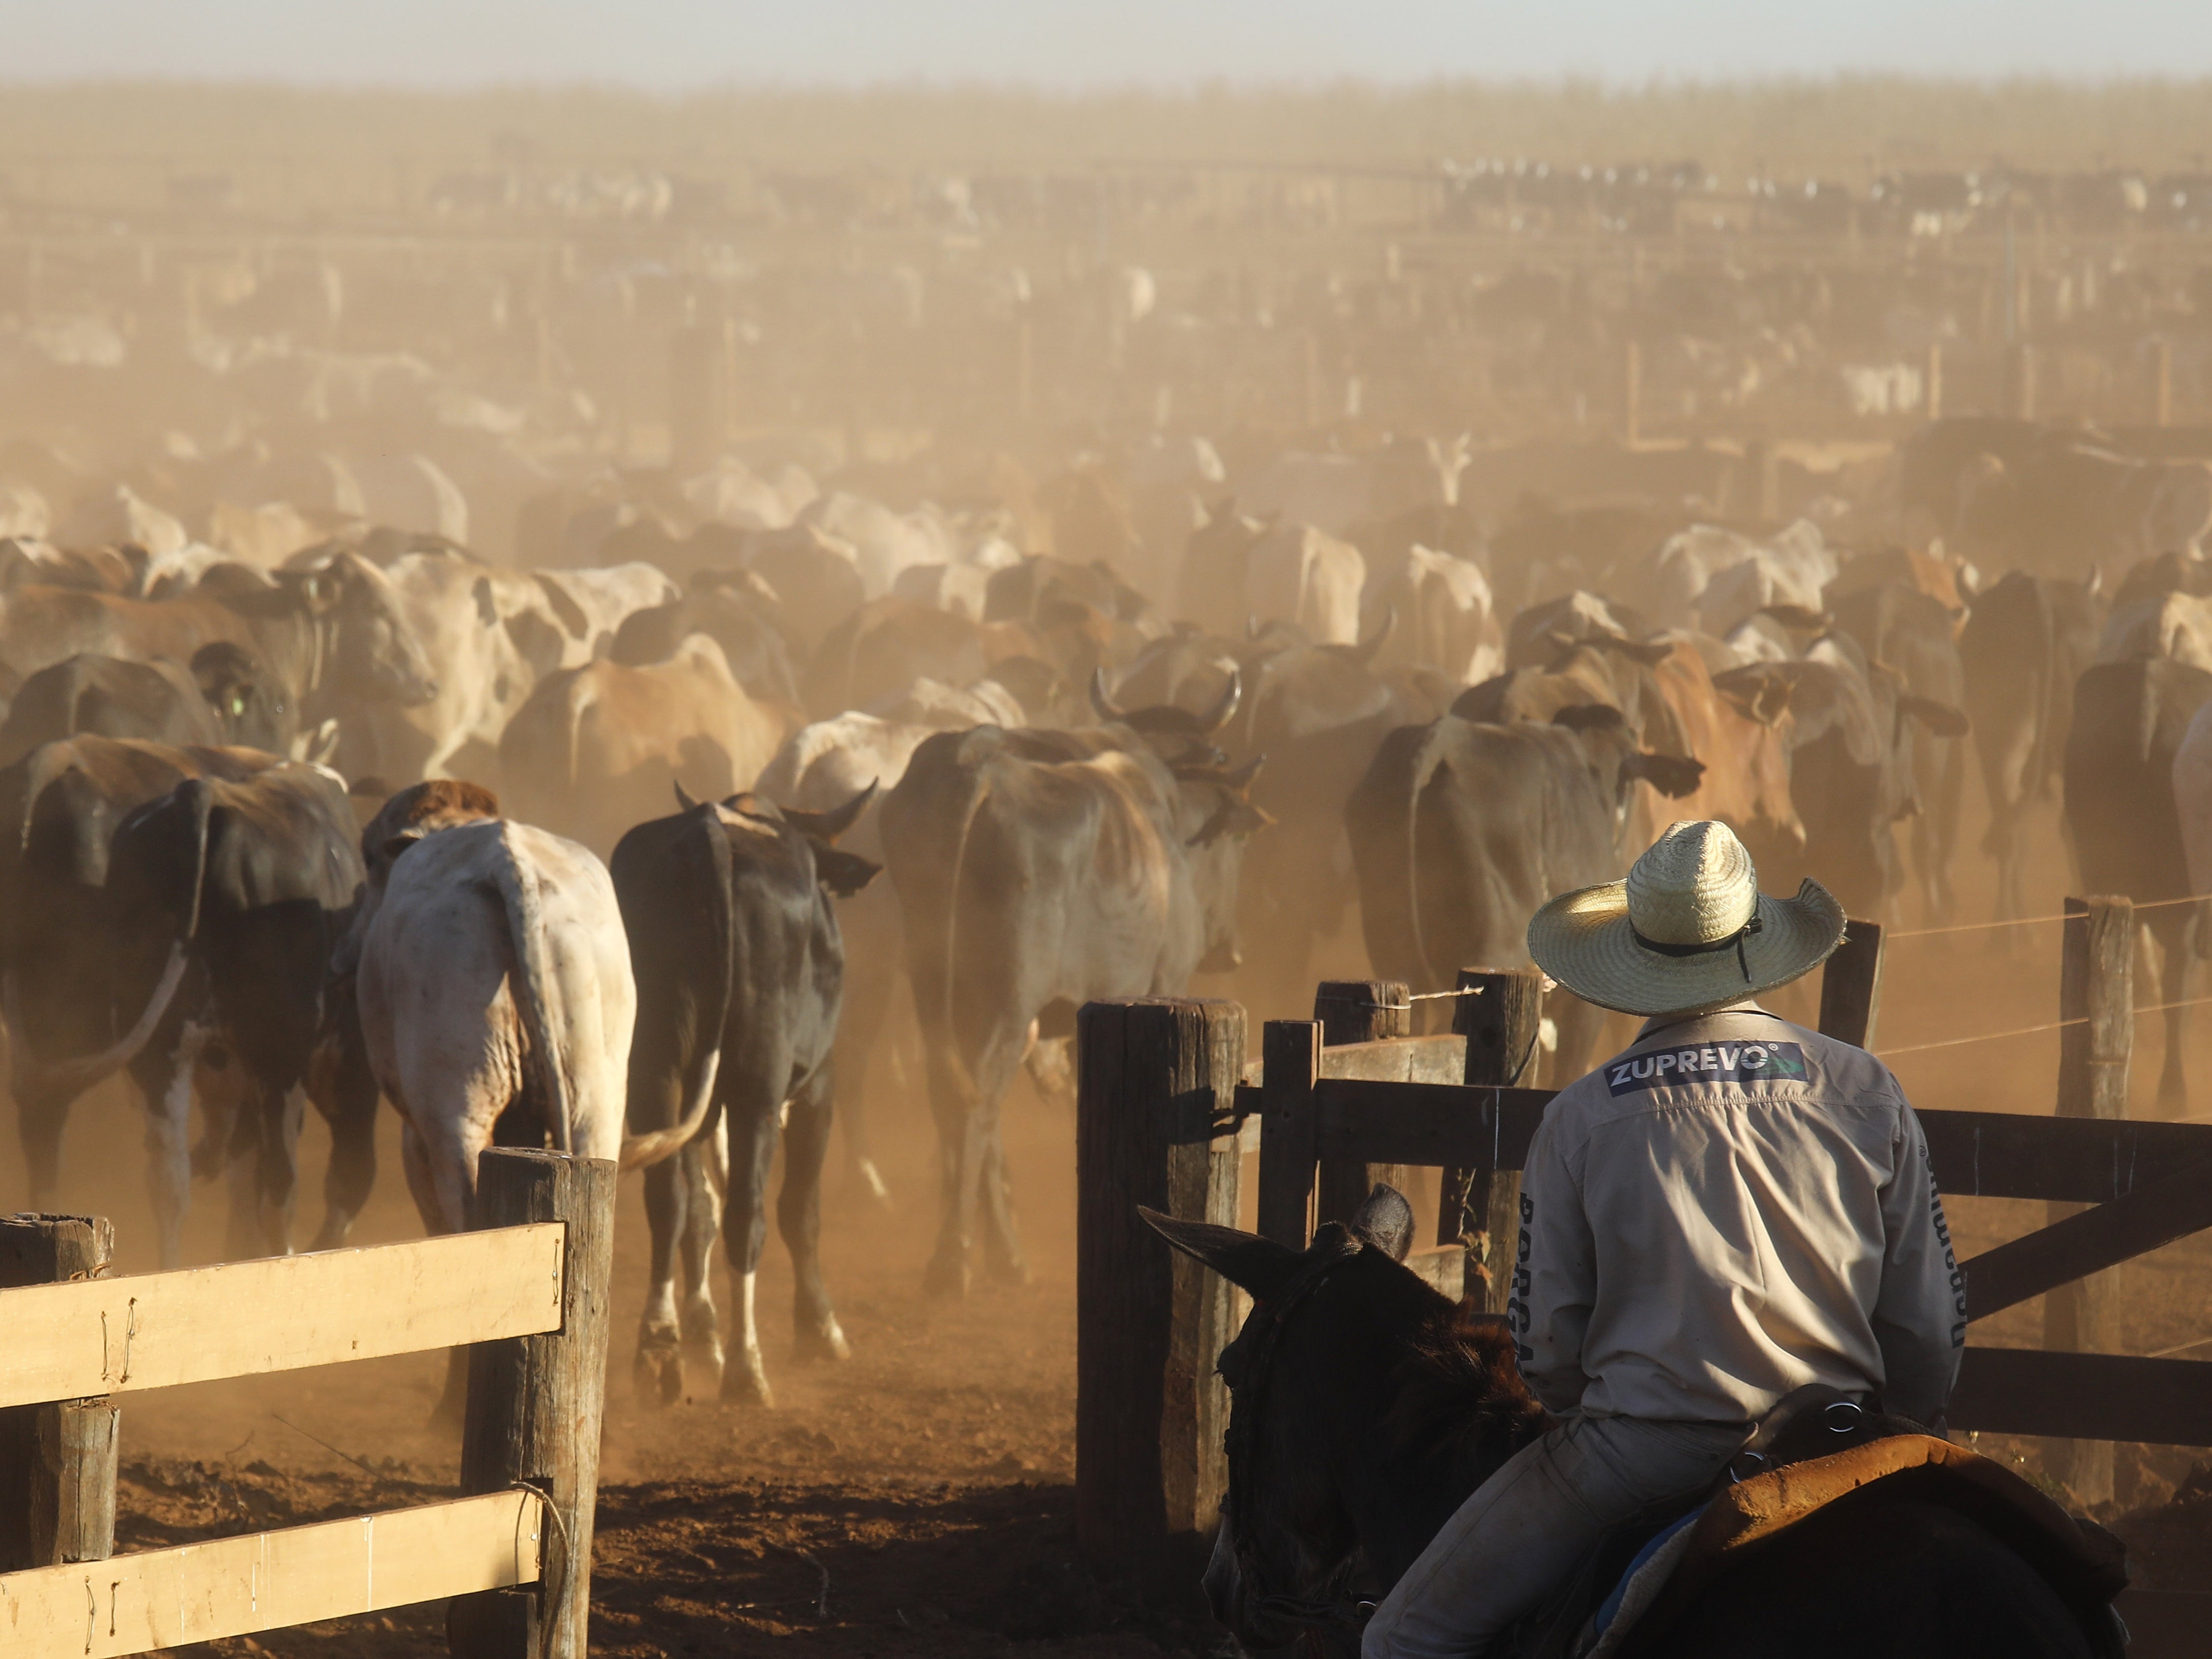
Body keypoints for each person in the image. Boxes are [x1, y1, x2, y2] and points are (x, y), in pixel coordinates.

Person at [1360, 819, 1965, 1659]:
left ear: (1634, 955)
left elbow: (1547, 1354)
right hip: (1843, 1433)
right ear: (1759, 941)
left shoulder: (1580, 1118)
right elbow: (1929, 1327)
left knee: (1404, 1638)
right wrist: (1900, 1423)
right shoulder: (1865, 1088)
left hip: (1643, 1453)